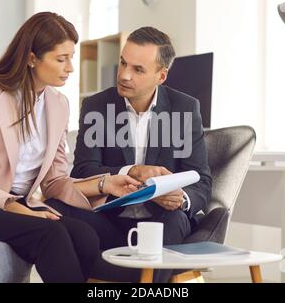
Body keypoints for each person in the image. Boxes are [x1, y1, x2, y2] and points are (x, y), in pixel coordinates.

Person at [0, 12, 139, 283]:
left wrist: (106, 184)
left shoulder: (58, 104)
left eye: (71, 57)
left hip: (14, 205)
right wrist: (13, 205)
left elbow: (54, 180)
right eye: (61, 59)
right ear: (32, 58)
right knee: (51, 234)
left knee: (84, 235)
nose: (70, 67)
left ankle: (150, 279)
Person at [52, 26, 212, 282]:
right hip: (110, 222)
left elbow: (202, 182)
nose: (124, 75)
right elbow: (82, 171)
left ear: (161, 75)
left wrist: (180, 198)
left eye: (138, 69)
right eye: (123, 63)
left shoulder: (185, 108)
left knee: (173, 220)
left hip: (162, 221)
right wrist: (129, 173)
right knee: (55, 207)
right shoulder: (97, 107)